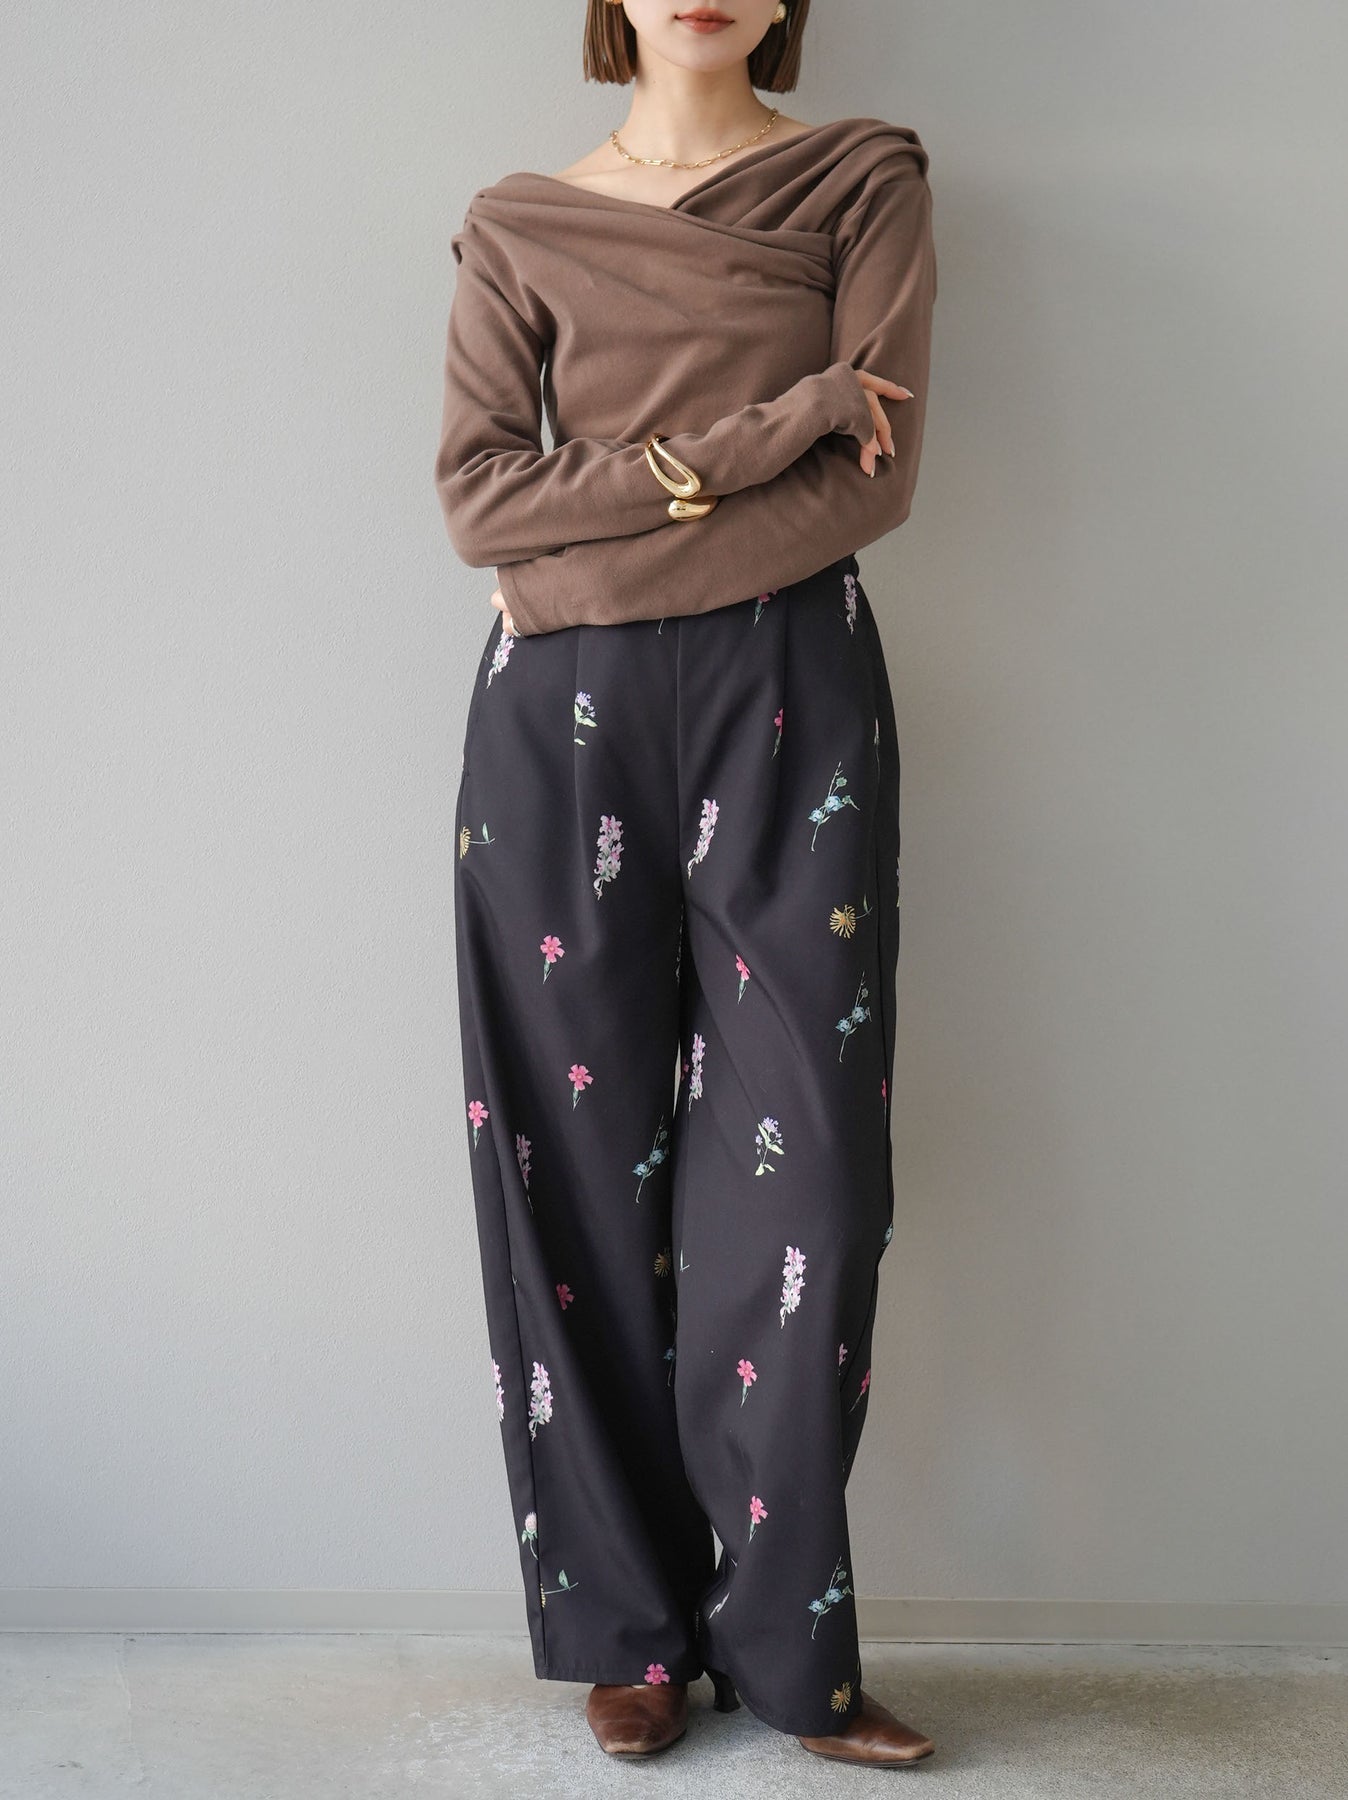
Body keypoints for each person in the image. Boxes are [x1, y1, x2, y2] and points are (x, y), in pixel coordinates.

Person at [434, 0, 937, 1768]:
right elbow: (476, 502)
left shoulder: (859, 182)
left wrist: (583, 556)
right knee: (566, 1166)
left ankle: (789, 1649)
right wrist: (757, 430)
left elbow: (866, 489)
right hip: (554, 734)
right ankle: (631, 1636)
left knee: (813, 1186)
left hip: (789, 695)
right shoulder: (518, 221)